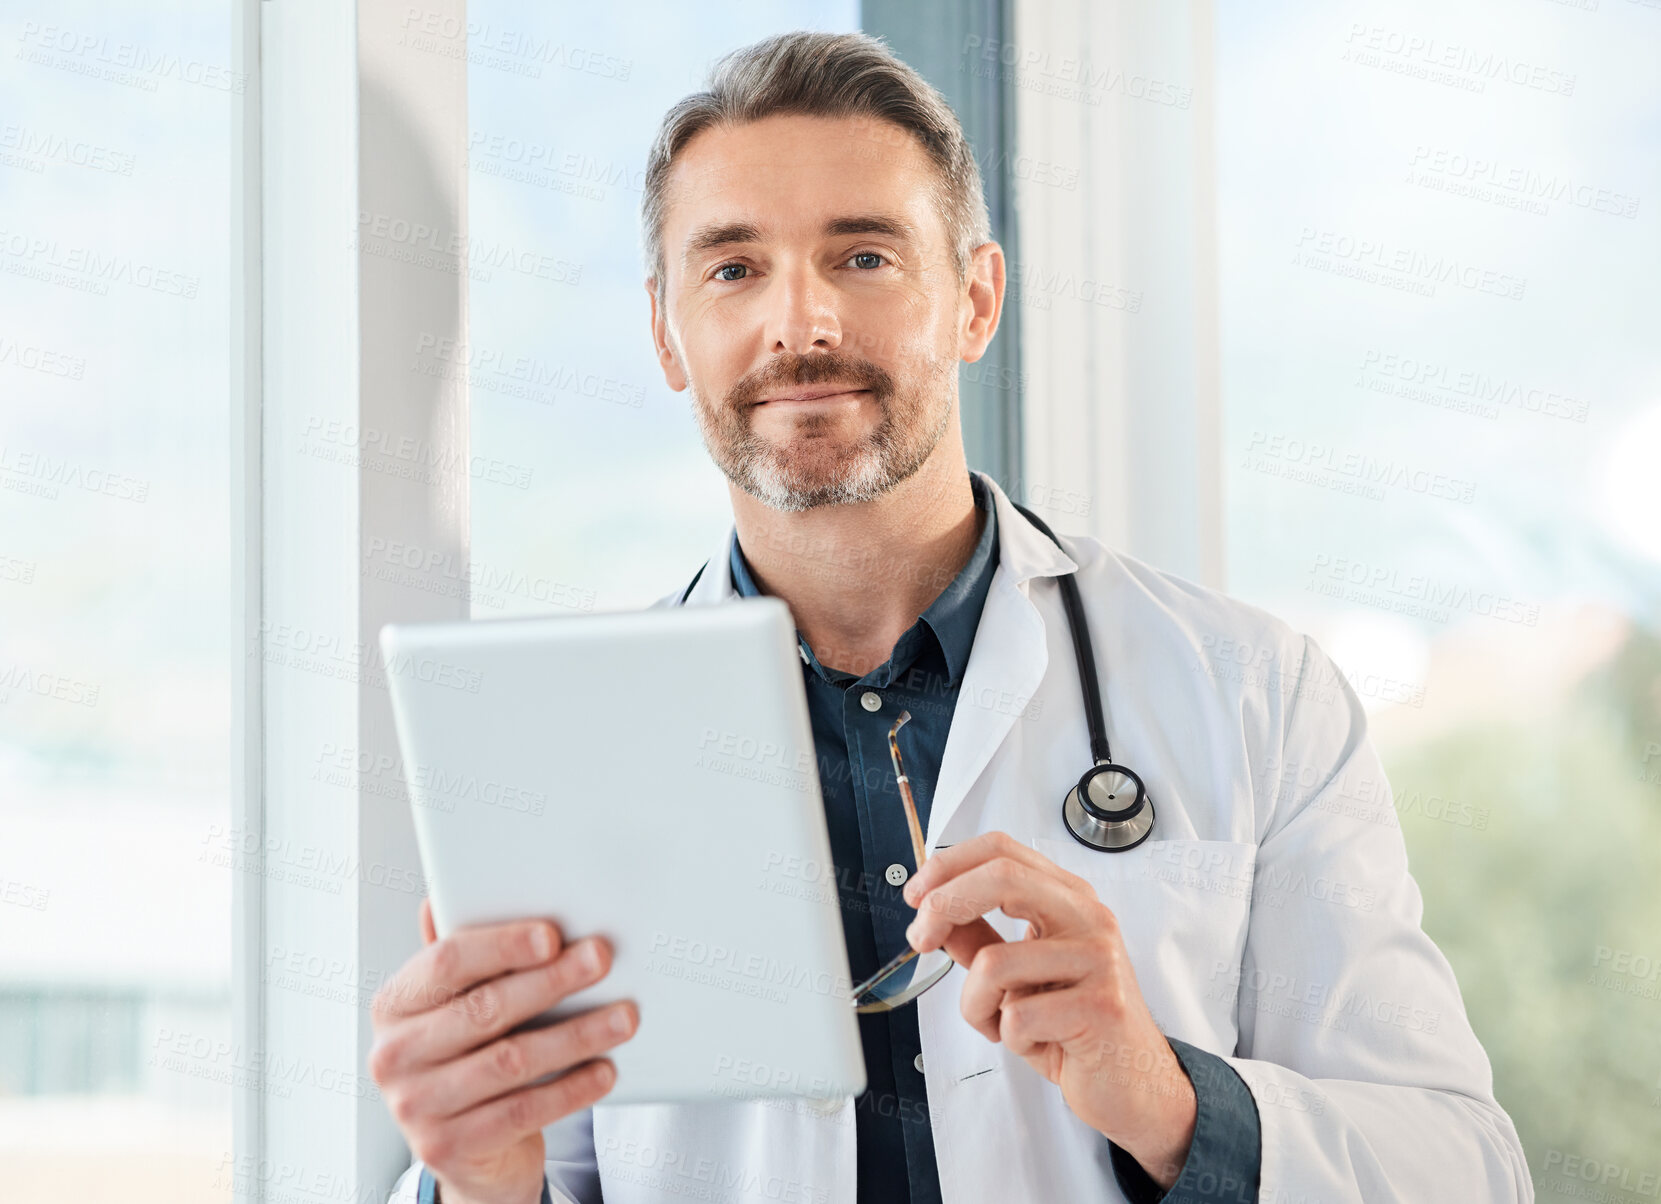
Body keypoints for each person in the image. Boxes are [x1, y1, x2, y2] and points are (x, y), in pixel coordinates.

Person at [373, 30, 1532, 1204]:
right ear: (667, 333)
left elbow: (1469, 1172)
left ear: (975, 300)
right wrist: (473, 1183)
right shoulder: (566, 752)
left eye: (863, 255)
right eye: (731, 269)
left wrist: (1168, 1099)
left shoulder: (1248, 691)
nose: (801, 324)